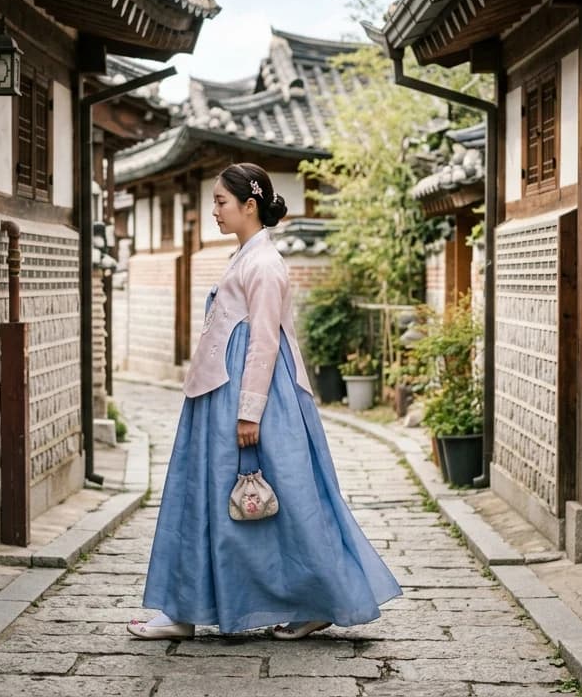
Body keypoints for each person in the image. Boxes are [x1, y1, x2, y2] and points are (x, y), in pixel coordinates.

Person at [127, 162, 401, 641]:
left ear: (249, 206)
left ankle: (318, 601)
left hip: (253, 398)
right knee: (205, 496)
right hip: (219, 394)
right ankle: (184, 610)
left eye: (220, 202)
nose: (213, 210)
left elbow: (264, 342)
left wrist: (249, 411)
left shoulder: (264, 263)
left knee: (289, 501)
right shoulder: (245, 256)